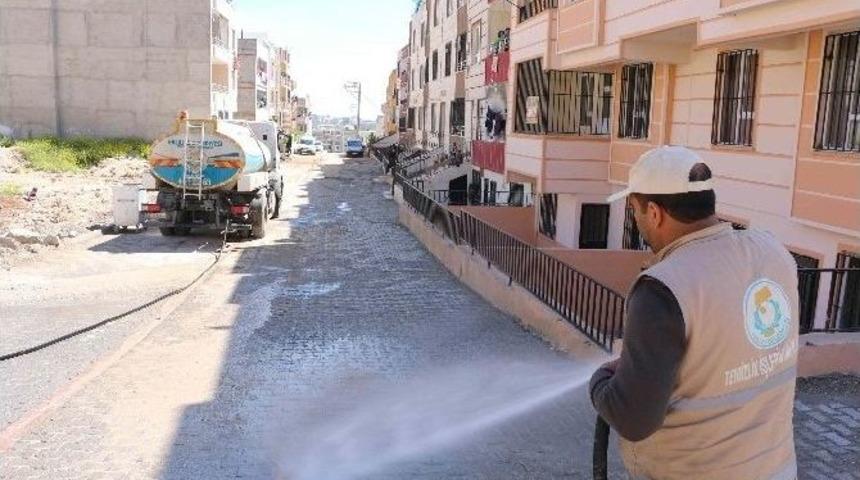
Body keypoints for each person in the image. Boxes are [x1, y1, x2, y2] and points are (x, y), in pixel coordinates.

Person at [590, 146, 799, 480]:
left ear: (655, 213)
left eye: (636, 211)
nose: (637, 220)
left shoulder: (663, 288)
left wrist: (600, 382)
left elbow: (633, 418)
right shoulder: (773, 252)